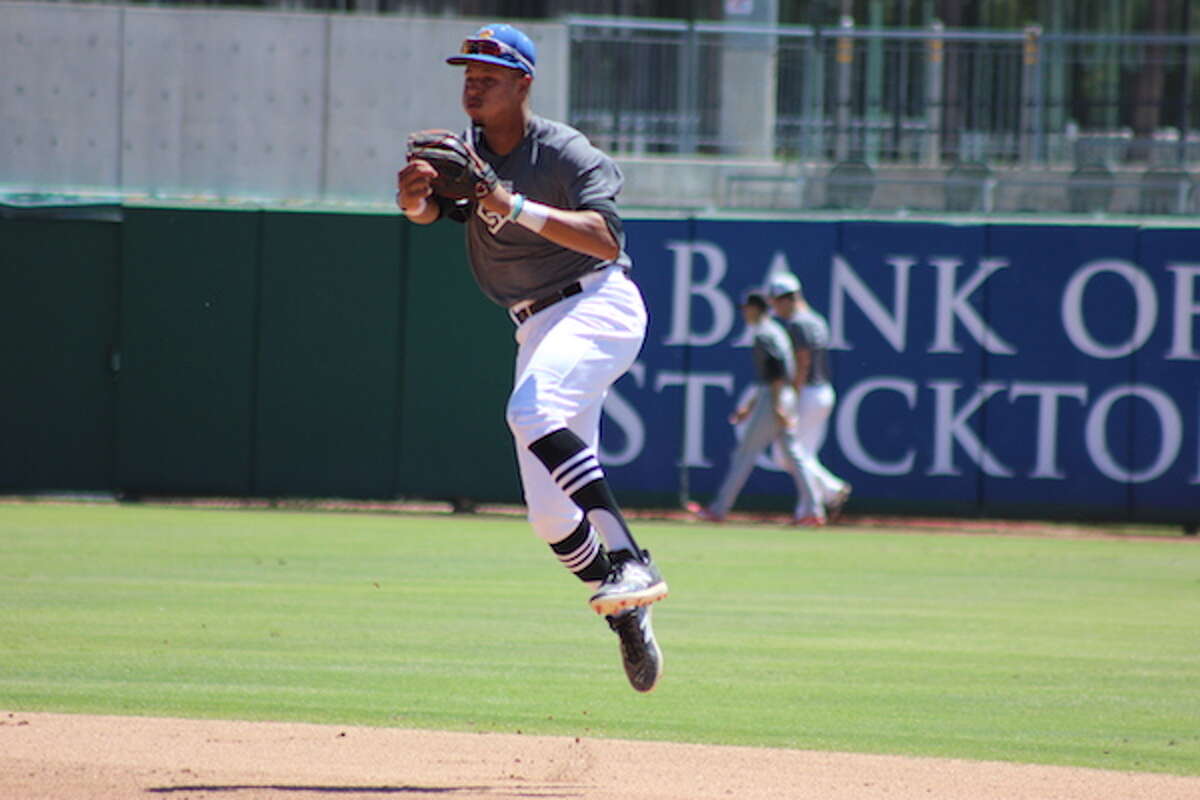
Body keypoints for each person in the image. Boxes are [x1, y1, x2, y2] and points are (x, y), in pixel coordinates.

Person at [395, 23, 667, 693]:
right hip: (535, 326)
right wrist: (414, 201)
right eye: (468, 71)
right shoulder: (470, 152)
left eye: (488, 73)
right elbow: (440, 212)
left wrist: (504, 199)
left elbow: (606, 240)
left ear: (523, 83)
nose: (473, 83)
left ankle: (633, 559)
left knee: (530, 408)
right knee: (549, 516)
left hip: (598, 302)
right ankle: (624, 610)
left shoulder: (562, 151)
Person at [687, 291, 824, 524]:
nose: (743, 313)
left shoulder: (764, 334)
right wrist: (751, 407)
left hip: (775, 398)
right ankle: (813, 510)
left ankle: (718, 509)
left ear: (756, 309)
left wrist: (779, 405)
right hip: (780, 395)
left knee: (745, 454)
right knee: (794, 454)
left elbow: (775, 372)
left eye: (746, 308)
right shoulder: (775, 331)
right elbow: (770, 377)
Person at [767, 272, 851, 522]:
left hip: (808, 392)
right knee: (805, 454)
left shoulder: (798, 324)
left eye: (776, 302)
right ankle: (808, 510)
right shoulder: (816, 320)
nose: (775, 308)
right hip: (822, 391)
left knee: (786, 454)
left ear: (787, 299)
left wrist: (793, 395)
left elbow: (802, 362)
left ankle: (830, 489)